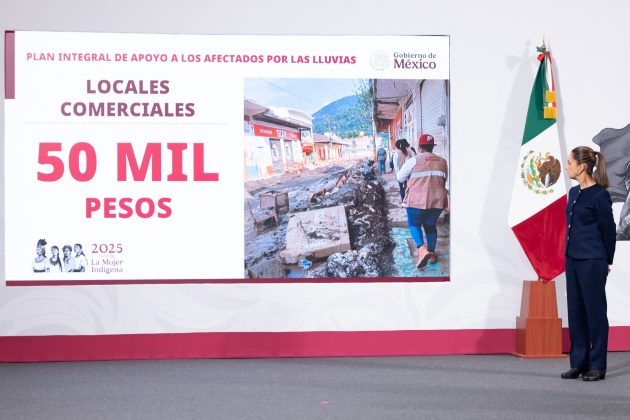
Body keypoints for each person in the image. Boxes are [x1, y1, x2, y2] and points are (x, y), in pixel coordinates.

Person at [562, 146, 616, 382]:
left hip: (593, 261)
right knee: (576, 313)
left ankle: (597, 365)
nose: (567, 167)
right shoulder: (574, 193)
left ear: (582, 166)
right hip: (572, 259)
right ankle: (579, 362)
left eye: (570, 163)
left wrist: (607, 260)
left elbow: (609, 230)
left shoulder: (599, 195)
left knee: (595, 313)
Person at [397, 134, 449, 268]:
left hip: (416, 201)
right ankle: (432, 254)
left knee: (414, 224)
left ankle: (422, 249)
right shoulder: (443, 161)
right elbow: (444, 179)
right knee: (430, 226)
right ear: (432, 147)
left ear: (420, 147)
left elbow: (400, 178)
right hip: (437, 202)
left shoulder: (413, 161)